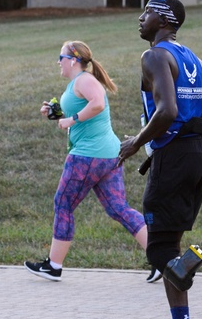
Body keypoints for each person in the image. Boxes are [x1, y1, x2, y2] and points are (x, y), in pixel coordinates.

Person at [118, 0, 202, 319]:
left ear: (165, 20)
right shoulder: (194, 59)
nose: (141, 18)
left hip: (176, 158)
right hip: (201, 154)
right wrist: (191, 136)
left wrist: (136, 143)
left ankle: (190, 263)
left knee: (158, 249)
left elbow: (167, 110)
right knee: (168, 243)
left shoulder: (154, 56)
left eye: (148, 11)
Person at [24, 40, 158, 283]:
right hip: (107, 154)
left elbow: (96, 104)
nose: (58, 62)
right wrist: (57, 114)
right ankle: (162, 260)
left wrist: (72, 119)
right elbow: (88, 110)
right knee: (118, 208)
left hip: (89, 155)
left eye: (61, 57)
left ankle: (54, 266)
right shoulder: (78, 83)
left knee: (63, 203)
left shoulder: (84, 79)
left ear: (73, 60)